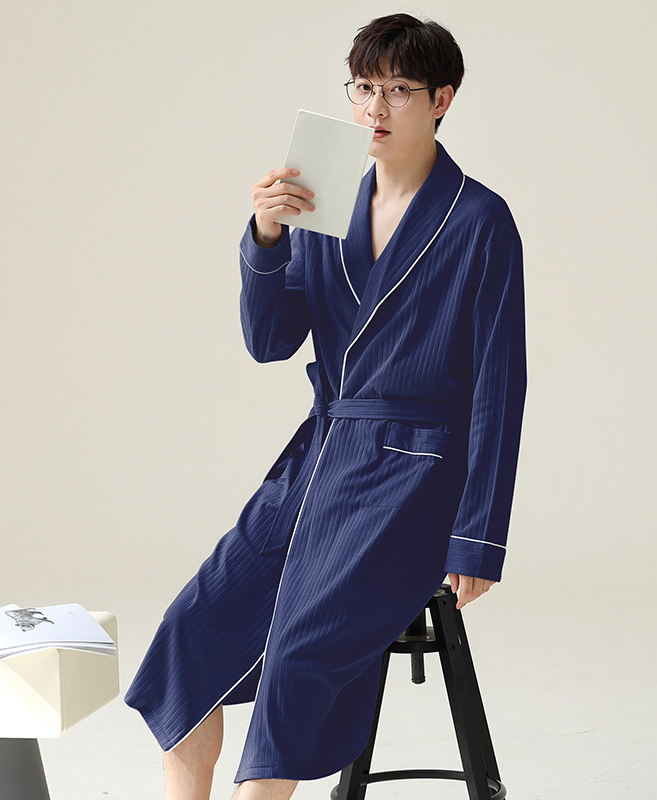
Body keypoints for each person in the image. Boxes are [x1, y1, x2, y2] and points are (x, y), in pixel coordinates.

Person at [125, 13, 526, 800]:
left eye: (399, 89)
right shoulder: (324, 197)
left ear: (442, 99)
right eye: (364, 87)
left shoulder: (480, 220)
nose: (375, 108)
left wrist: (478, 537)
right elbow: (270, 341)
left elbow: (499, 388)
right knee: (189, 634)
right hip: (319, 460)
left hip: (414, 478)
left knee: (298, 656)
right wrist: (267, 235)